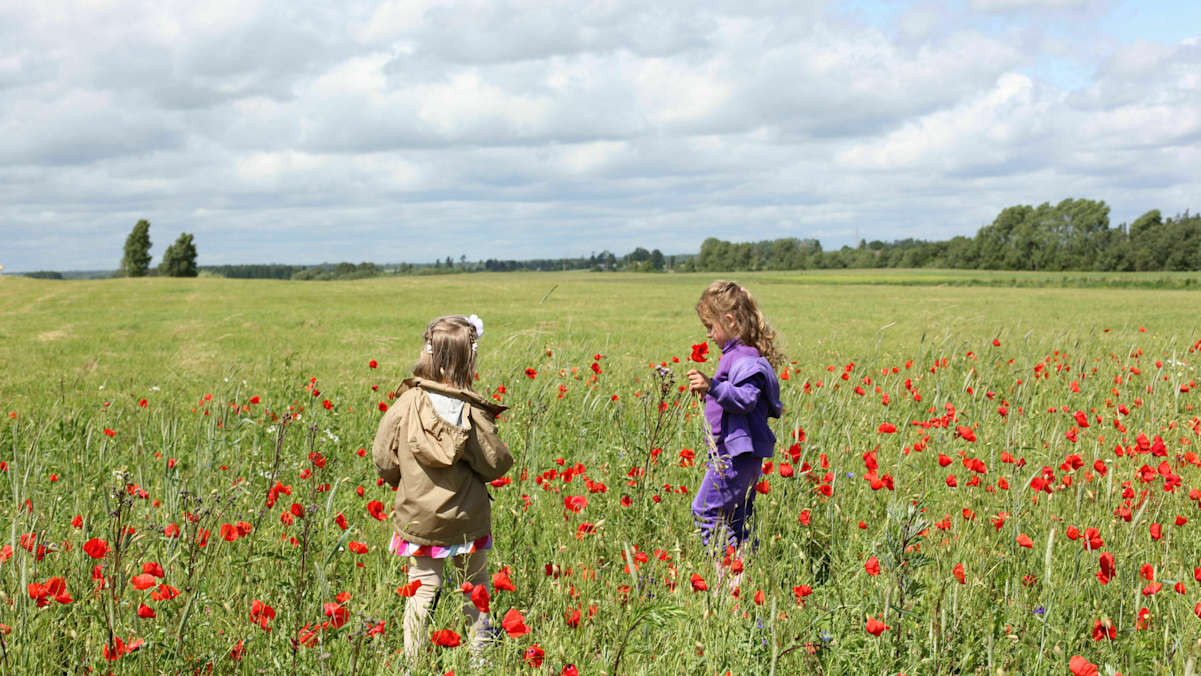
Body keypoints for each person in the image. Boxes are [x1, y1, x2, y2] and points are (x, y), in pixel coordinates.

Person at [372, 314, 513, 662]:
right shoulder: (472, 411)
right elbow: (494, 464)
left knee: (421, 588)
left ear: (428, 353)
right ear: (469, 358)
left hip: (420, 519)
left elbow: (382, 457)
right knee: (475, 583)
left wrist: (403, 483)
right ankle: (480, 656)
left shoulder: (406, 404)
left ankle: (413, 664)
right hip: (467, 518)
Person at [686, 281, 783, 558]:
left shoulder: (746, 359)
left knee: (706, 511)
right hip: (732, 455)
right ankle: (744, 581)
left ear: (728, 321)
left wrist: (712, 387)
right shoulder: (735, 356)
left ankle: (728, 577)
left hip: (734, 457)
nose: (708, 335)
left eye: (710, 327)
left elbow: (746, 399)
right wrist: (711, 396)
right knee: (736, 523)